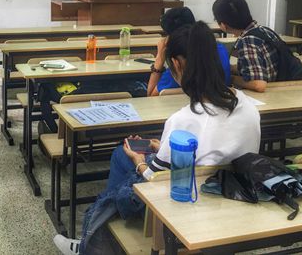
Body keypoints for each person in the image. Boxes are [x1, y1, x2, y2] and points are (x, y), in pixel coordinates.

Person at [53, 22, 261, 255]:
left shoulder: (183, 119)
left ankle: (93, 243)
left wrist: (139, 161)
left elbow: (152, 178)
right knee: (133, 159)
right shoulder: (248, 106)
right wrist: (164, 148)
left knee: (122, 155)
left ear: (177, 64)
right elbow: (212, 150)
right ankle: (102, 237)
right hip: (235, 194)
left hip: (187, 203)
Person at [212, 0, 302, 93]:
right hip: (284, 85)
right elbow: (259, 64)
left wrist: (230, 78)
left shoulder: (247, 41)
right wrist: (230, 68)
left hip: (273, 94)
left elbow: (259, 85)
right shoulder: (264, 30)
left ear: (223, 25)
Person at [147, 7, 231, 96]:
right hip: (218, 99)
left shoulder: (180, 65)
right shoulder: (220, 48)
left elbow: (151, 95)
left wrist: (160, 58)